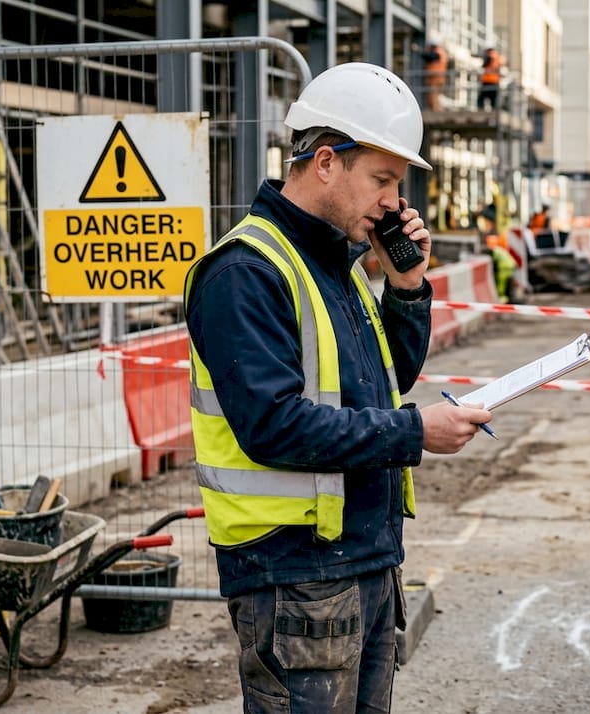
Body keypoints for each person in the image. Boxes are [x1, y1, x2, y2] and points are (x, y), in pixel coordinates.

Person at [183, 62, 491, 712]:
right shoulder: (246, 272)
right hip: (294, 577)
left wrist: (406, 288)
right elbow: (273, 424)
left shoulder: (336, 265)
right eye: (381, 180)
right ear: (326, 162)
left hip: (363, 561)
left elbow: (384, 384)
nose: (392, 202)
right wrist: (417, 432)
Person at [420, 40, 448, 111]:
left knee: (433, 95)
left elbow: (429, 57)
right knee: (434, 95)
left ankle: (436, 110)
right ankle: (436, 109)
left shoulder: (438, 52)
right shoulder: (441, 52)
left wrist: (419, 51)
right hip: (436, 77)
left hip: (435, 77)